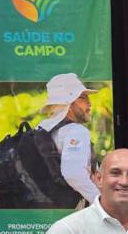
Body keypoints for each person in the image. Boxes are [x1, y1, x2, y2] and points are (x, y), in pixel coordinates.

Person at [36, 72, 99, 205]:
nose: (90, 103)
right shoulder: (76, 131)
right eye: (83, 97)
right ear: (69, 104)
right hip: (71, 211)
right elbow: (73, 173)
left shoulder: (42, 128)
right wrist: (101, 202)